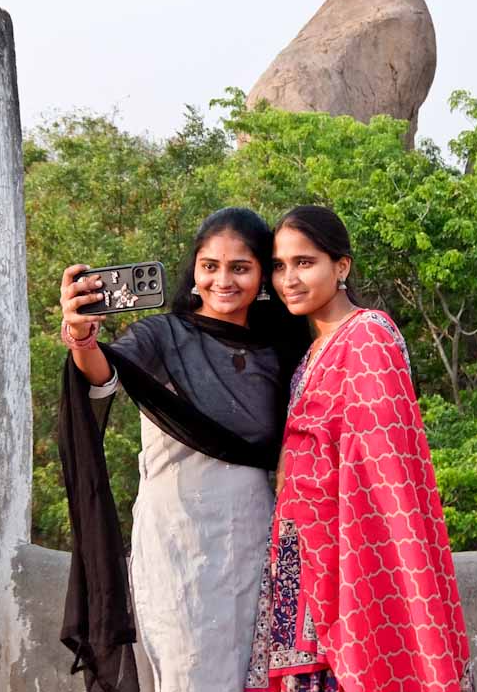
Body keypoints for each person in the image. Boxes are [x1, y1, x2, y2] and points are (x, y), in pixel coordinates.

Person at [56, 207, 308, 692]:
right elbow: (103, 375)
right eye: (210, 266)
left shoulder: (281, 351)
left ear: (263, 276)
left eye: (240, 267)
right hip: (176, 541)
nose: (223, 281)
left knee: (247, 674)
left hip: (253, 540)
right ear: (194, 269)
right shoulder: (163, 336)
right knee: (185, 670)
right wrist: (82, 336)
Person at [245, 205, 474, 692]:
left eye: (305, 262)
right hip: (302, 560)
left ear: (341, 266)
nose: (289, 279)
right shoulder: (312, 351)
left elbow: (385, 472)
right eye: (280, 266)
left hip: (349, 561)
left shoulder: (368, 335)